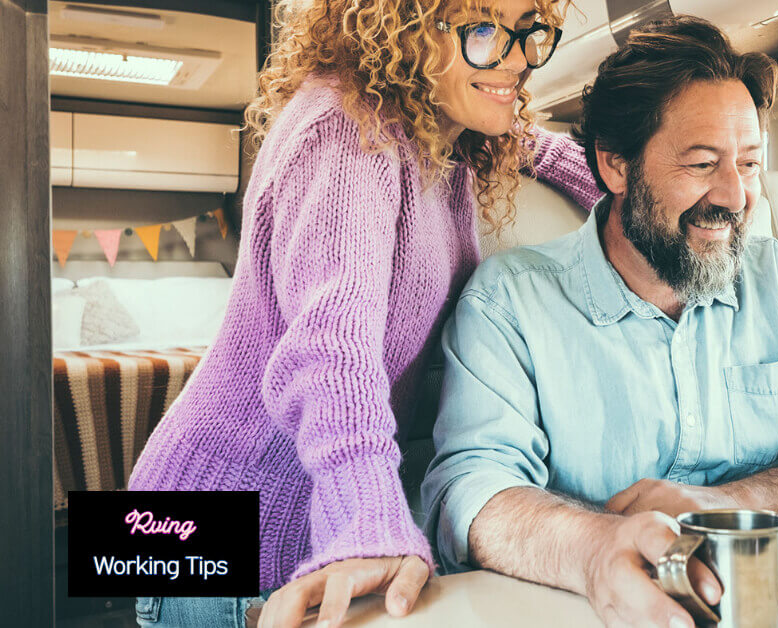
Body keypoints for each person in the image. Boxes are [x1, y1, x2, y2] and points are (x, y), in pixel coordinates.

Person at [421, 15, 778, 628]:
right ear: (614, 167)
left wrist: (729, 503)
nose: (736, 196)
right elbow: (468, 495)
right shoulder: (509, 302)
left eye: (747, 164)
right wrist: (594, 551)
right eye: (701, 165)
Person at [127, 0, 600, 626]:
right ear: (404, 25)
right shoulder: (349, 129)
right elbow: (331, 351)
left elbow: (526, 135)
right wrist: (370, 521)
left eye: (530, 30)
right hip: (201, 527)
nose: (515, 58)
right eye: (483, 28)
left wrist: (631, 182)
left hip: (259, 523)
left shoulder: (444, 130)